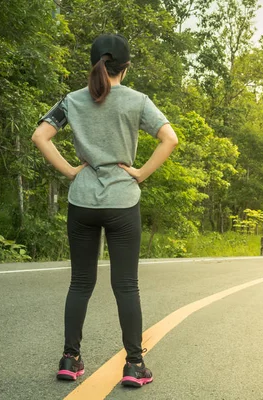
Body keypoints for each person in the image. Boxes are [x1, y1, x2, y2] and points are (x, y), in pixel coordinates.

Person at [32, 33, 178, 387]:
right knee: (126, 285)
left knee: (80, 282)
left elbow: (40, 136)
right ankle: (134, 364)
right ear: (124, 68)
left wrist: (69, 171)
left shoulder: (72, 100)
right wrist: (141, 172)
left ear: (94, 65)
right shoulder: (137, 101)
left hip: (82, 201)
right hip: (122, 201)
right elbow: (170, 138)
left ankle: (70, 358)